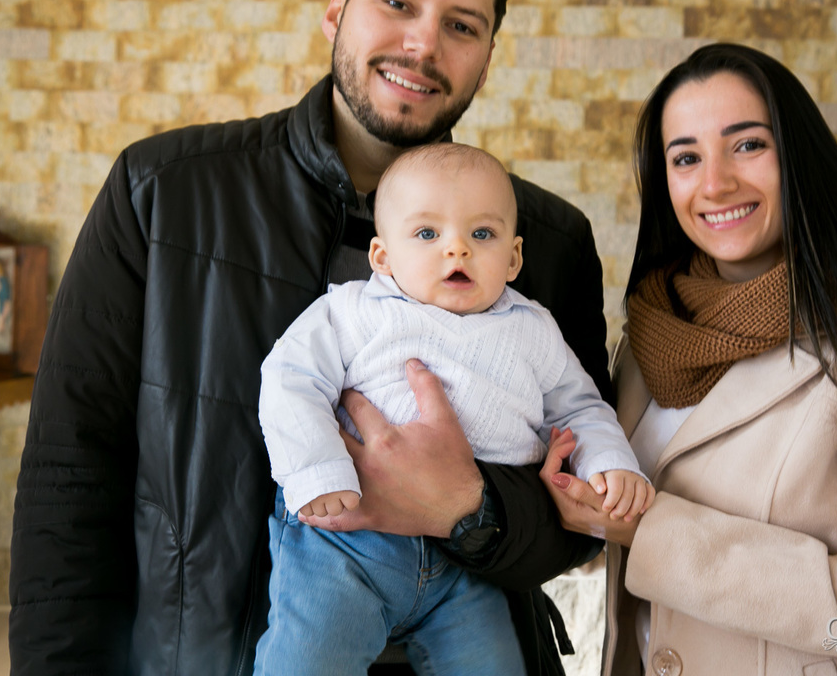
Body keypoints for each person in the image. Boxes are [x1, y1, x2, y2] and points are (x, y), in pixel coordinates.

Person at [10, 0, 609, 676]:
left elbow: (582, 510)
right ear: (337, 11)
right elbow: (72, 469)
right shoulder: (161, 194)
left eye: (462, 26)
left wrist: (474, 509)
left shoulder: (549, 242)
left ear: (487, 55)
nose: (423, 43)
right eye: (397, 3)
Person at [540, 42, 837, 676]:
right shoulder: (651, 333)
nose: (716, 182)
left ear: (798, 157)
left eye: (748, 145)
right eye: (686, 158)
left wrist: (652, 532)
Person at [255, 144, 653, 675]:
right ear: (382, 257)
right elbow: (289, 380)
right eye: (427, 234)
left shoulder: (533, 331)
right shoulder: (352, 312)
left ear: (513, 258)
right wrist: (317, 471)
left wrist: (610, 465)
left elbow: (580, 407)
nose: (456, 250)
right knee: (305, 663)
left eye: (481, 234)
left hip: (469, 560)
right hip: (346, 541)